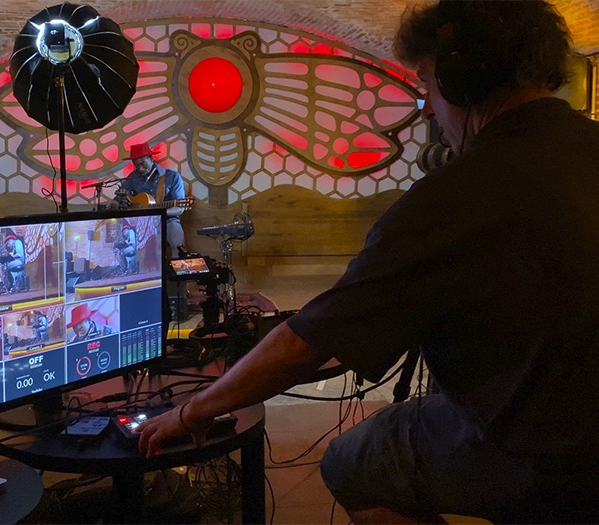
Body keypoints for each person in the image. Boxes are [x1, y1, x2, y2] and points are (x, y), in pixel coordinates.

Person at [137, 1, 599, 523]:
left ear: (463, 79)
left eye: (427, 84)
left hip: (542, 457)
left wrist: (193, 410)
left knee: (347, 462)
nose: (427, 110)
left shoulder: (452, 198)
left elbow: (305, 345)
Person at [120, 142, 186, 257]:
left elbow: (179, 208)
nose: (140, 169)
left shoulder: (171, 177)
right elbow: (120, 200)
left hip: (167, 221)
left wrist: (160, 213)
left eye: (143, 164)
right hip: (142, 225)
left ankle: (178, 266)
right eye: (136, 165)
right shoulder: (131, 179)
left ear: (151, 158)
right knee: (129, 246)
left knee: (178, 244)